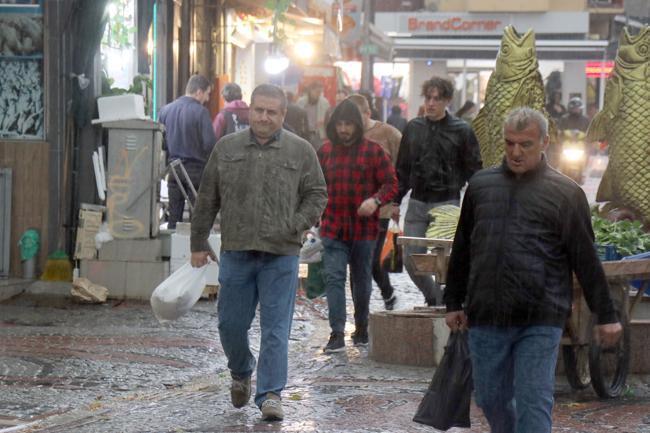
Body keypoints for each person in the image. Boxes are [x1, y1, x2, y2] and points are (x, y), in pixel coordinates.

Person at [444, 107, 622, 433]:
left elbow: (586, 259)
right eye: (510, 143)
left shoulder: (566, 194)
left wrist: (607, 315)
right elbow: (464, 248)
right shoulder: (481, 187)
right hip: (486, 313)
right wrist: (453, 300)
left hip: (540, 316)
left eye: (525, 144)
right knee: (488, 397)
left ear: (544, 143)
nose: (515, 152)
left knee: (533, 399)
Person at [190, 84, 328, 421]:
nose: (264, 117)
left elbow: (317, 194)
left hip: (281, 254)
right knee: (230, 325)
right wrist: (198, 243)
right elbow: (207, 197)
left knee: (276, 328)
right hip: (237, 251)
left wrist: (296, 224)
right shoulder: (227, 148)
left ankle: (270, 395)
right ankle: (241, 371)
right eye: (259, 110)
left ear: (282, 115)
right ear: (249, 110)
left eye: (272, 112)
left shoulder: (300, 151)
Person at [318, 99, 398, 353]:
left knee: (361, 279)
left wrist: (375, 201)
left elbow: (391, 184)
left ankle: (361, 327)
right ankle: (337, 332)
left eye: (348, 124)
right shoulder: (326, 151)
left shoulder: (373, 152)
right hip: (333, 227)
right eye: (339, 124)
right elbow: (314, 186)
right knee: (334, 278)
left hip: (364, 230)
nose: (343, 129)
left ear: (357, 125)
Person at [394, 76, 482, 306]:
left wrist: (478, 201)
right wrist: (394, 200)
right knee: (411, 257)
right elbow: (402, 168)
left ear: (447, 101)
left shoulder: (461, 130)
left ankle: (445, 302)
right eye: (428, 98)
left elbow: (473, 168)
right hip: (418, 201)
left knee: (446, 261)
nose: (431, 103)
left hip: (447, 201)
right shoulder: (414, 128)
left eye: (437, 98)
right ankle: (437, 299)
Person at [347, 93, 402, 310]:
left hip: (381, 209)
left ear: (367, 114)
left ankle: (385, 296)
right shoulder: (346, 136)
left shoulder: (388, 134)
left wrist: (395, 200)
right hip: (351, 211)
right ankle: (362, 314)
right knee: (357, 263)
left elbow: (401, 167)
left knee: (370, 260)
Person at [158, 74, 217, 229]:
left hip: (174, 170)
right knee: (196, 216)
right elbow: (210, 144)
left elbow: (162, 143)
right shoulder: (201, 112)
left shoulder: (165, 110)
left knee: (174, 215)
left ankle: (171, 250)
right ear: (199, 92)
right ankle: (192, 251)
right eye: (207, 93)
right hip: (197, 171)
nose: (207, 98)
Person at [296, 81, 331, 150]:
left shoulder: (325, 103)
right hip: (304, 134)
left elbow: (328, 120)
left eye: (320, 92)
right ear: (310, 90)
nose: (319, 94)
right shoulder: (301, 102)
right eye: (317, 92)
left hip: (318, 134)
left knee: (318, 154)